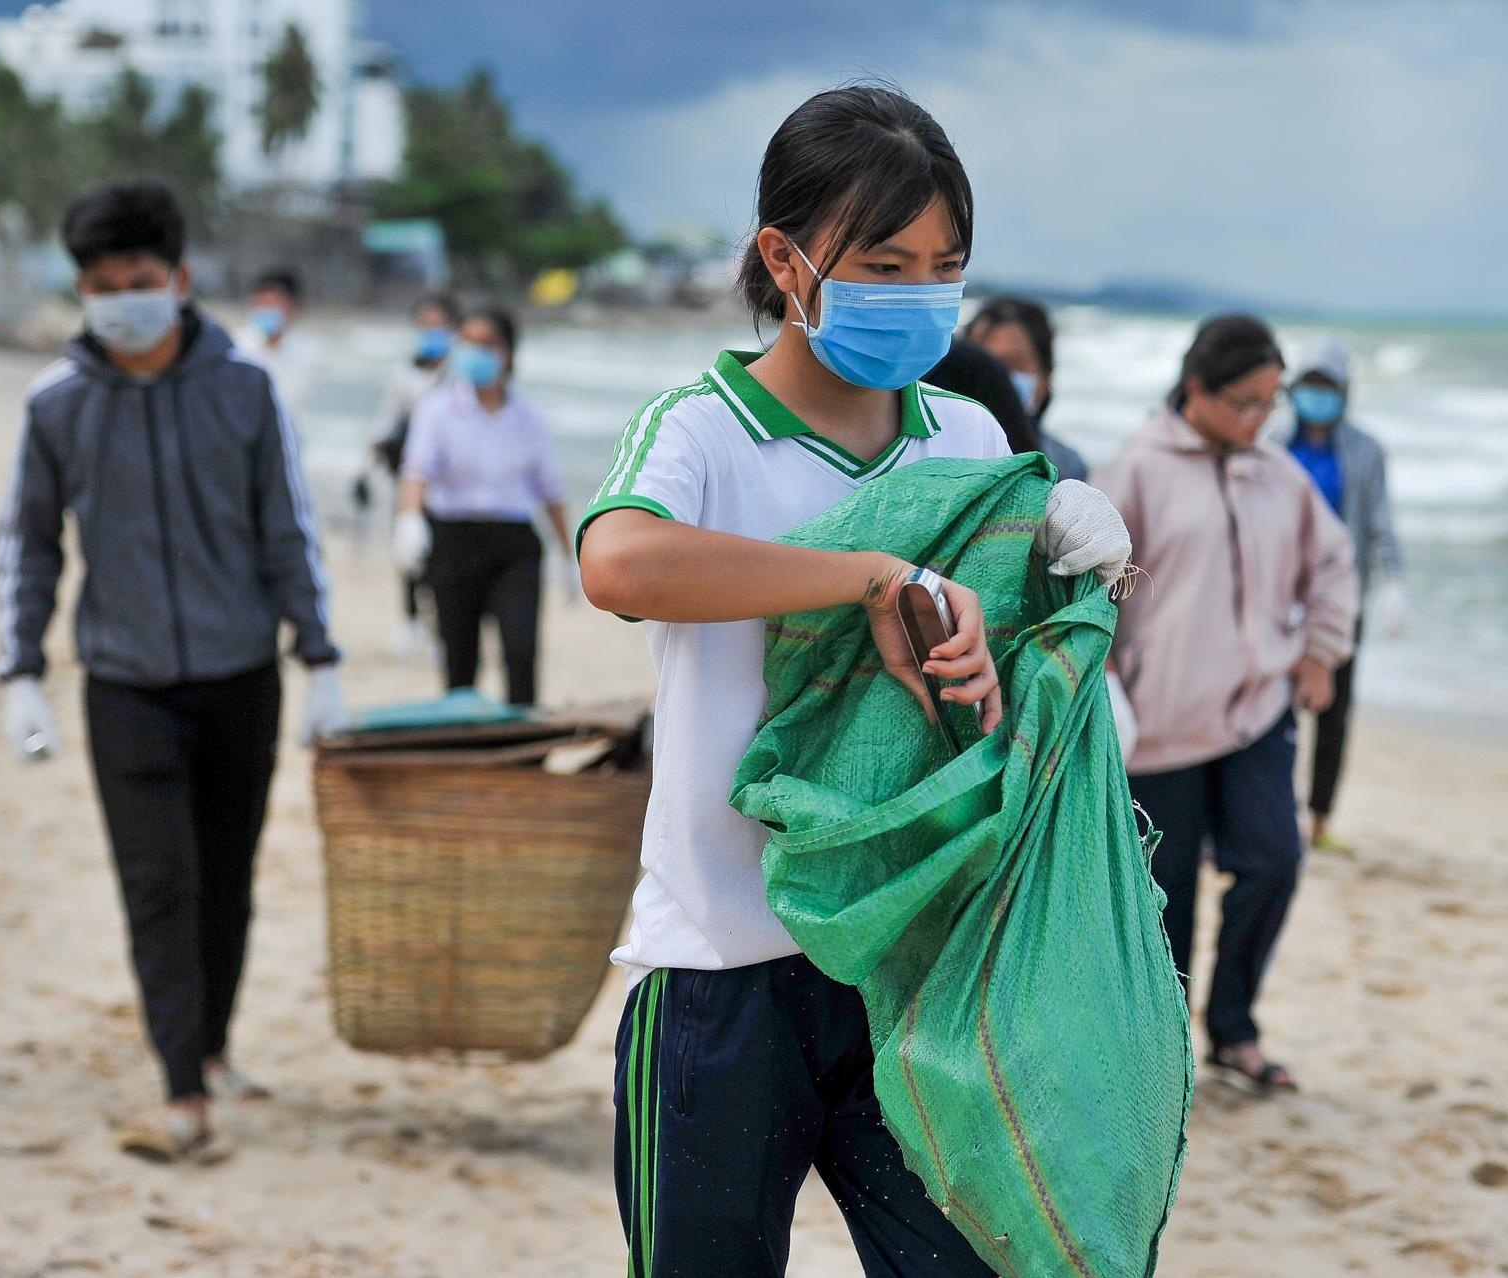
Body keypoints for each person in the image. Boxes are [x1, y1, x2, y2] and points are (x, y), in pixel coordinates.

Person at [577, 84, 1126, 1277]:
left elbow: (1001, 706)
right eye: (885, 263)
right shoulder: (704, 432)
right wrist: (868, 576)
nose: (921, 293)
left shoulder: (970, 445)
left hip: (913, 971)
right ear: (787, 258)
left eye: (946, 265)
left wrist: (1053, 586)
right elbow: (617, 561)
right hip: (724, 969)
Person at [0, 179, 345, 1161]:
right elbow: (28, 542)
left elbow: (289, 529)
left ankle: (215, 1044)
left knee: (225, 878)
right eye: (102, 285)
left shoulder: (244, 387)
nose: (122, 299)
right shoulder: (57, 402)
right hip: (124, 682)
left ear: (181, 279)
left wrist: (319, 658)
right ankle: (183, 1090)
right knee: (159, 883)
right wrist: (18, 671)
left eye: (139, 280)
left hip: (243, 674)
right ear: (83, 290)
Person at [1093, 314, 1358, 1097]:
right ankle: (1162, 1052)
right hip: (1159, 730)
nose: (1260, 419)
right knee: (1161, 902)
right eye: (1246, 401)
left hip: (1256, 717)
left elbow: (1335, 566)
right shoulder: (1134, 471)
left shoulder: (1278, 474)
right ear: (1198, 389)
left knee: (1275, 859)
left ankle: (1234, 1029)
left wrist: (1320, 651)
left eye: (1270, 403)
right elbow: (1087, 593)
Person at [393, 307, 572, 707]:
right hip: (454, 541)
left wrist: (570, 555)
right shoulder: (437, 409)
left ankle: (524, 747)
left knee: (520, 649)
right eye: (468, 342)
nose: (475, 352)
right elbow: (416, 471)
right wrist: (408, 519)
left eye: (487, 344)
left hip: (514, 545)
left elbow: (551, 490)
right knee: (460, 657)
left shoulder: (529, 417)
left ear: (508, 353)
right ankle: (463, 748)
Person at [1282, 336, 1407, 853]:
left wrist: (1394, 581)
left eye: (1326, 385)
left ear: (1344, 390)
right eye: (1308, 384)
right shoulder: (1272, 443)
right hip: (1278, 596)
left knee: (1334, 711)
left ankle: (1319, 820)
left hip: (1339, 599)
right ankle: (1273, 812)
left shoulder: (1365, 451)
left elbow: (1379, 524)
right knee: (1272, 709)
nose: (1317, 394)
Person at [368, 293, 462, 658]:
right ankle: (410, 623)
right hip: (410, 477)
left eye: (437, 326)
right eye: (424, 326)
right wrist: (366, 466)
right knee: (407, 552)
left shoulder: (461, 372)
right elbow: (386, 420)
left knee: (443, 558)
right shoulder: (405, 373)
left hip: (451, 483)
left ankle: (441, 629)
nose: (430, 334)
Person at [965, 295, 1087, 480]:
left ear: (1046, 377)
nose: (997, 380)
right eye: (985, 367)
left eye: (1013, 364)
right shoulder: (934, 451)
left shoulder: (1066, 467)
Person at [234, 267, 320, 418]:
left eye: (273, 304)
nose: (266, 310)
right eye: (261, 303)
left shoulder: (308, 352)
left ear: (293, 307)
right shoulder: (237, 346)